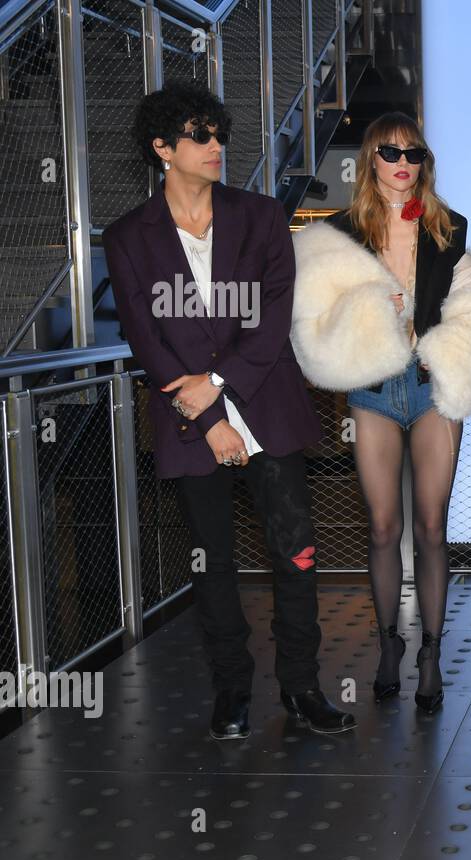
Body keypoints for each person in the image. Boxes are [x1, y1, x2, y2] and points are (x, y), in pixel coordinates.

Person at [103, 82, 354, 739]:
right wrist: (208, 420)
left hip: (263, 403)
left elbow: (272, 319)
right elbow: (144, 335)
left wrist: (216, 384)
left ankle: (302, 689)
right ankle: (232, 693)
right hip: (189, 423)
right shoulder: (129, 236)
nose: (217, 147)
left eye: (220, 134)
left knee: (295, 553)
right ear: (163, 148)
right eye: (199, 136)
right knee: (212, 566)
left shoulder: (262, 215)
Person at [289, 112, 471, 714]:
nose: (403, 162)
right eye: (390, 152)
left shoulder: (449, 227)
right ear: (371, 160)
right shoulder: (337, 232)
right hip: (373, 390)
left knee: (432, 527)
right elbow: (313, 316)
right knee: (383, 527)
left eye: (413, 152)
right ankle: (390, 649)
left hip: (433, 384)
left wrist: (452, 344)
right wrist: (363, 312)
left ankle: (431, 655)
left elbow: (470, 303)